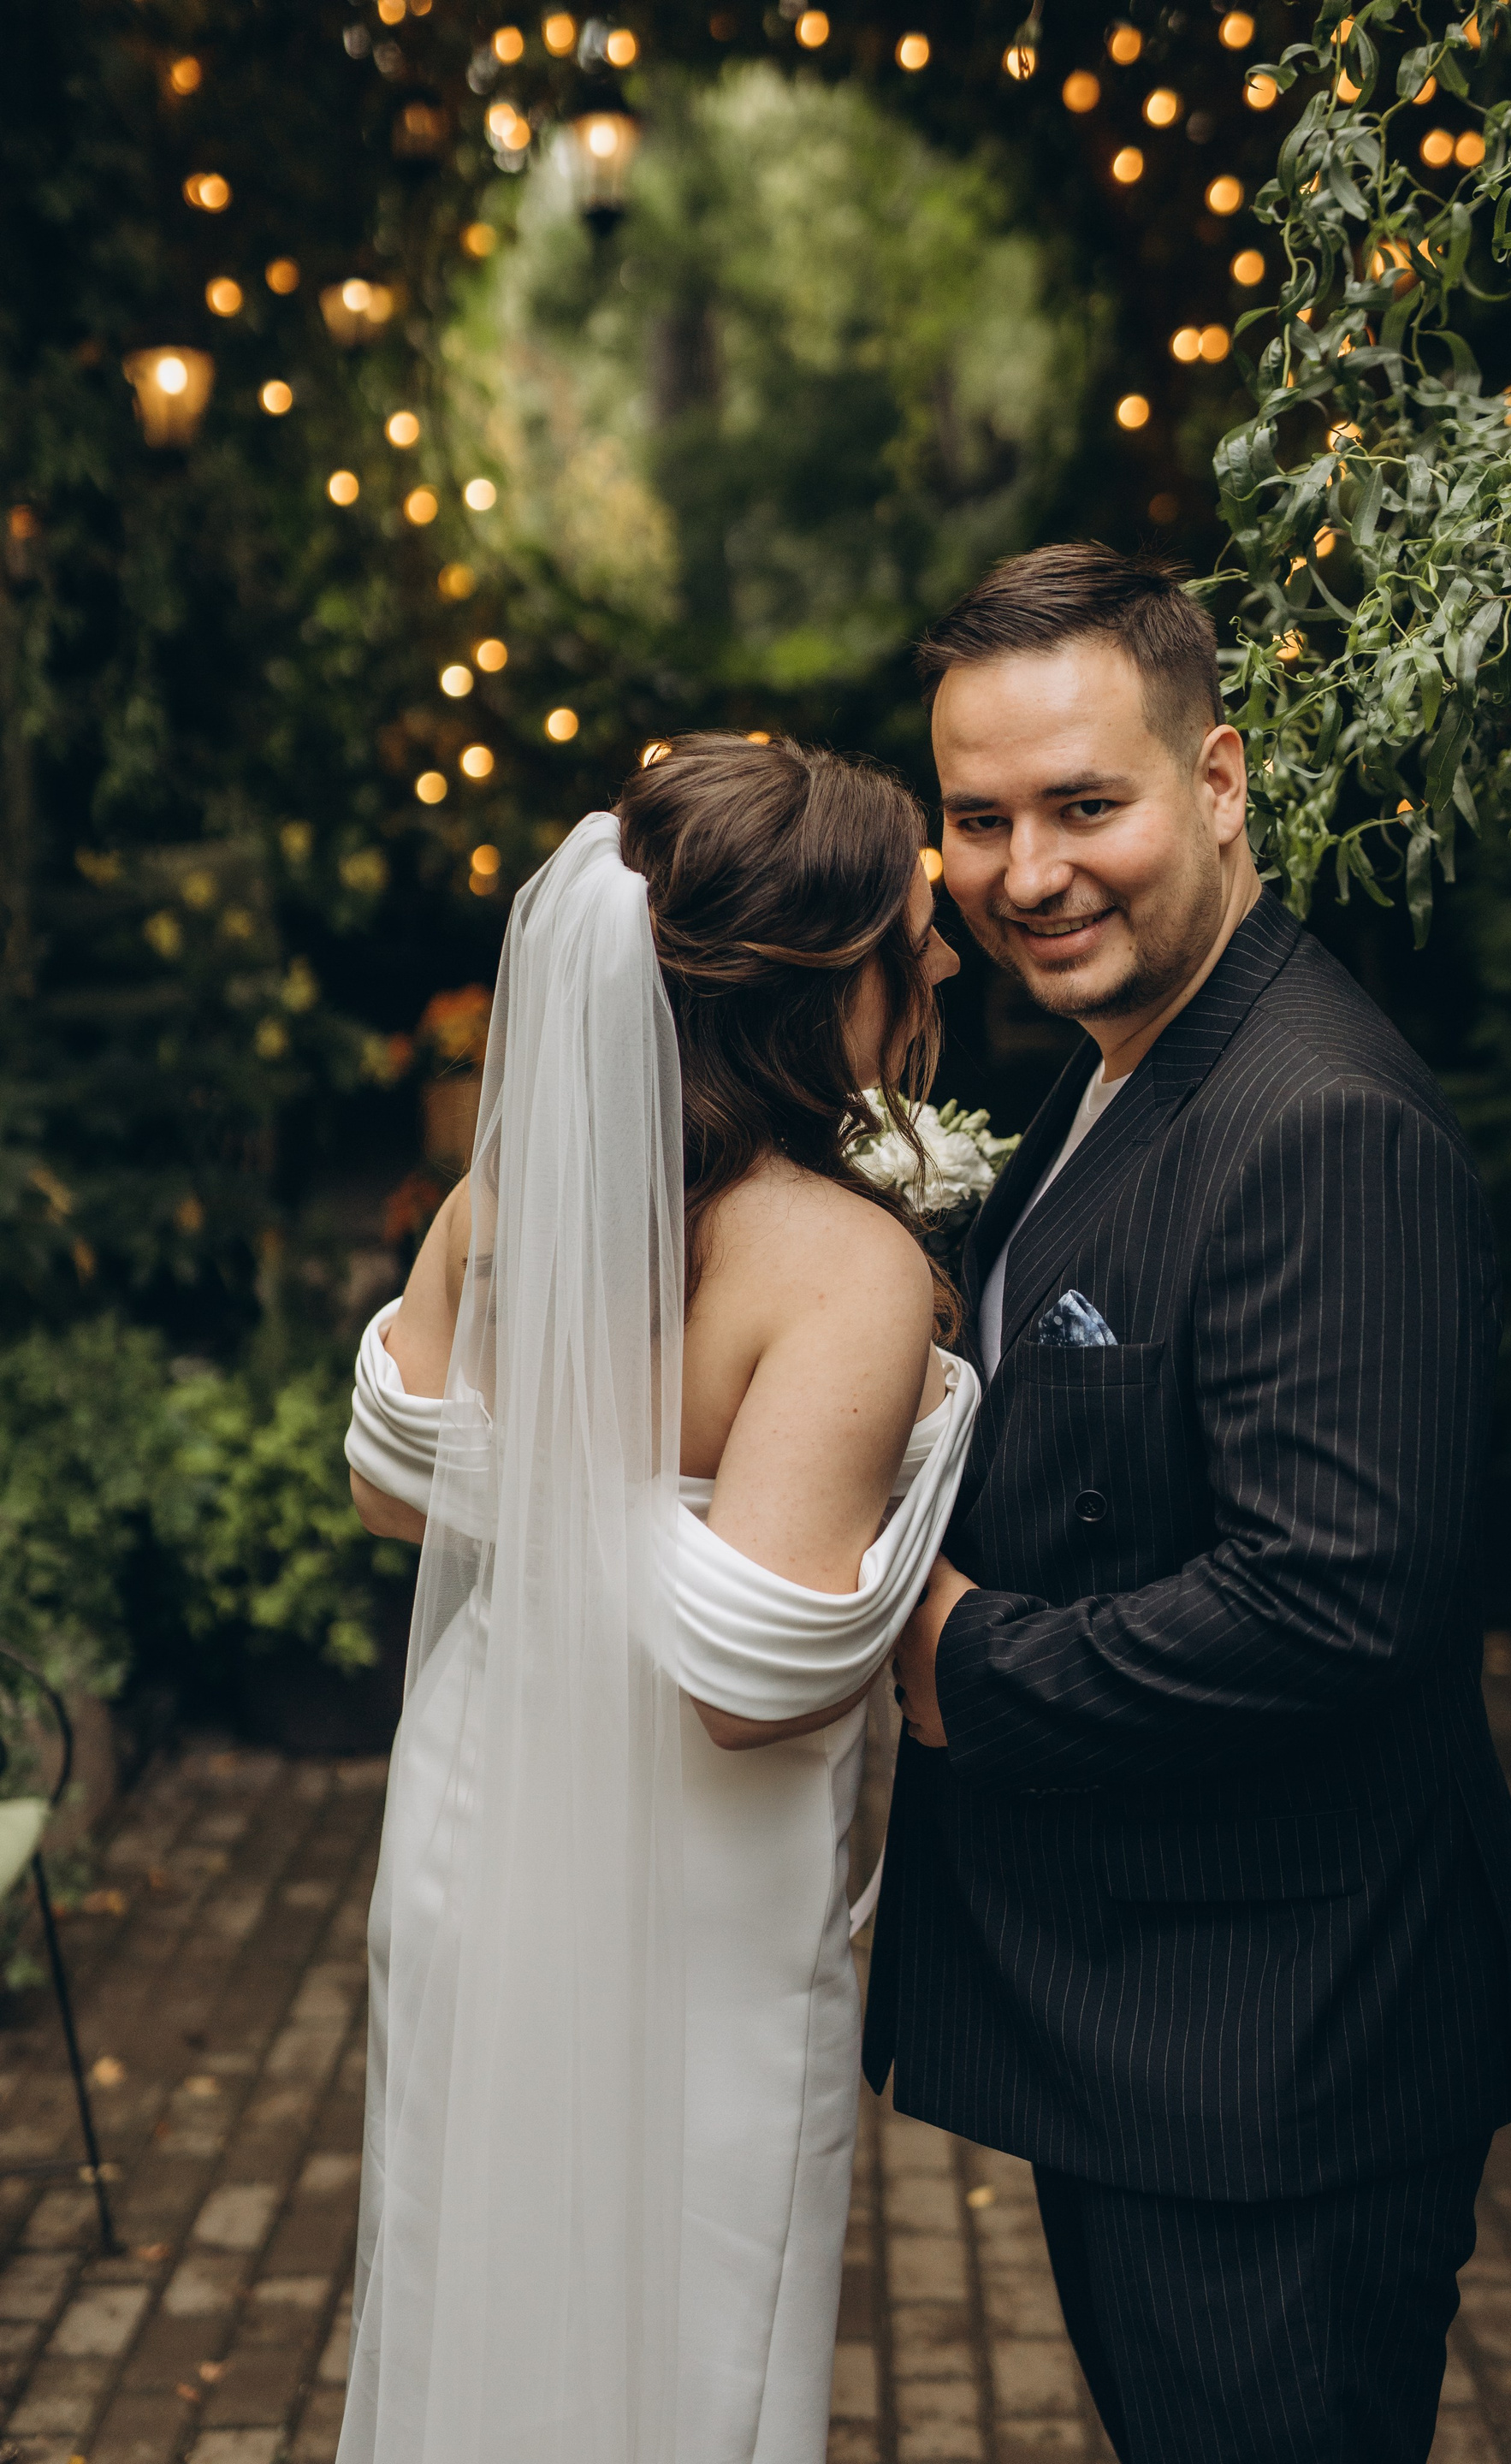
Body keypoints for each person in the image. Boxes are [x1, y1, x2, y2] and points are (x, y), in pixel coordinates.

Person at [868, 542, 1511, 2464]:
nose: (1028, 874)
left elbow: (1332, 1600)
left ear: (1223, 779)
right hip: (1165, 2040)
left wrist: (965, 1663)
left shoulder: (1317, 1119)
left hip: (1280, 2064)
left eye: (1087, 806)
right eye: (981, 820)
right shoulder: (1126, 1065)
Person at [335, 737, 981, 2464]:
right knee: (691, 2332)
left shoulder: (502, 1202)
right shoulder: (848, 1268)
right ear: (818, 985)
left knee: (477, 2272)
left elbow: (391, 1482)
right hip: (704, 1870)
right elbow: (746, 1684)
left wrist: (561, 1500)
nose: (940, 959)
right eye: (907, 934)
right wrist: (919, 1522)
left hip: (481, 1806)